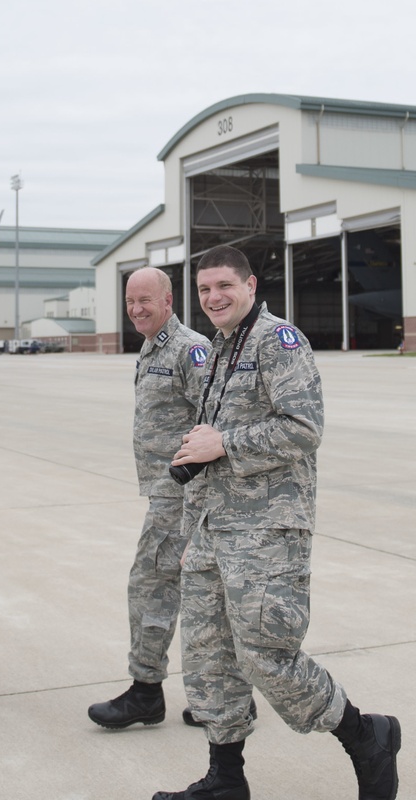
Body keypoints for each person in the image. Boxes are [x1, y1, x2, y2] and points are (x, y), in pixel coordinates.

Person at [155, 245, 401, 800]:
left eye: (224, 286)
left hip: (266, 532)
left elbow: (304, 427)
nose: (214, 298)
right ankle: (226, 778)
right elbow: (225, 428)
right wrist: (197, 449)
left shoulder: (278, 340)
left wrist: (225, 442)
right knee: (208, 656)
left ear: (250, 285)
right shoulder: (221, 347)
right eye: (204, 290)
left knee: (267, 656)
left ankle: (368, 736)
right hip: (213, 526)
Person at [88, 267, 214, 729]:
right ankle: (222, 698)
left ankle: (145, 693)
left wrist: (190, 489)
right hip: (167, 494)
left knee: (151, 587)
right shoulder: (152, 345)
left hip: (181, 498)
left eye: (145, 300)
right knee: (201, 595)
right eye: (130, 302)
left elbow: (214, 420)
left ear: (168, 300)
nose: (136, 309)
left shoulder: (190, 349)